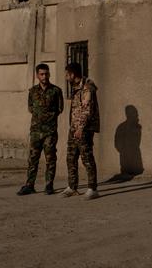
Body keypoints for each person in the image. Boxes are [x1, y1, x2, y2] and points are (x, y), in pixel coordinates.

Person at [18, 63, 64, 196]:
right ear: (37, 75)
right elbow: (30, 108)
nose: (45, 76)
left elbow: (60, 109)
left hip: (50, 131)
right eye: (42, 74)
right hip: (36, 131)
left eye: (46, 73)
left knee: (50, 158)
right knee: (33, 158)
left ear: (49, 74)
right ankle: (29, 185)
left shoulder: (56, 91)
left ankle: (49, 185)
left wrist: (47, 117)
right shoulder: (32, 91)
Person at [62, 62, 99, 200]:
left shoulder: (87, 88)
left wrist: (80, 128)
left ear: (72, 74)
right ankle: (72, 187)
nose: (66, 77)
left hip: (84, 129)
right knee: (71, 157)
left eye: (67, 75)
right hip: (74, 128)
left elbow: (87, 110)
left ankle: (92, 189)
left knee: (87, 158)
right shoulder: (76, 87)